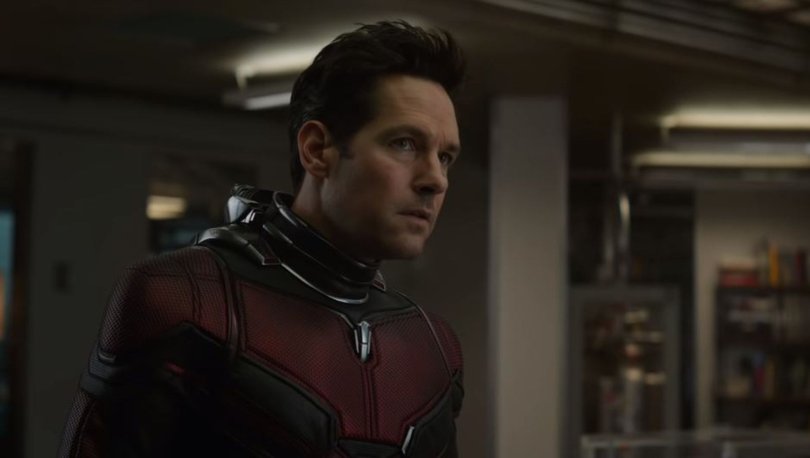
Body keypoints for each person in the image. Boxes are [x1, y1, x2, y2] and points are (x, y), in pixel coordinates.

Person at [58, 20, 465, 458]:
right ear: (317, 150)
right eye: (404, 144)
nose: (435, 180)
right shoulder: (186, 300)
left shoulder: (434, 347)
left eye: (445, 157)